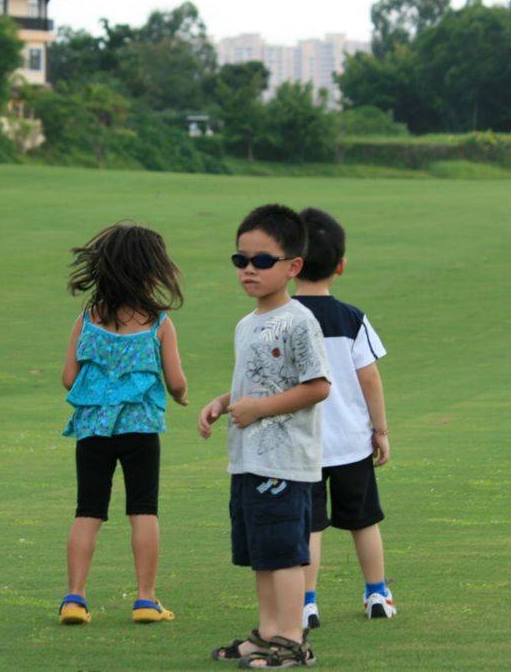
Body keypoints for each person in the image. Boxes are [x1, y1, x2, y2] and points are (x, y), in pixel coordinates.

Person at [200, 204, 330, 668]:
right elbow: (257, 384)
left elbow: (318, 386)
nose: (248, 270)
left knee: (284, 555)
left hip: (284, 462)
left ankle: (292, 640)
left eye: (261, 261)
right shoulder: (246, 323)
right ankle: (269, 632)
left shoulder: (299, 321)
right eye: (241, 260)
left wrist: (257, 410)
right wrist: (223, 402)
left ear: (293, 267)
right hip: (249, 458)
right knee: (262, 554)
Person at [59, 223, 188, 625]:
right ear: (152, 273)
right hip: (141, 429)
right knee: (143, 509)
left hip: (93, 429)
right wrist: (181, 395)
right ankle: (146, 599)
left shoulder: (86, 320)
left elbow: (68, 378)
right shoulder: (159, 324)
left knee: (88, 510)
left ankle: (75, 598)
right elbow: (176, 381)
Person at [293, 208, 397, 629]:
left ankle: (306, 603)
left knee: (310, 526)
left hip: (303, 444)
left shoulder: (284, 318)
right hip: (351, 442)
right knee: (364, 521)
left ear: (291, 263)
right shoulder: (351, 318)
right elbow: (370, 378)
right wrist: (380, 430)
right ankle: (377, 594)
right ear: (341, 266)